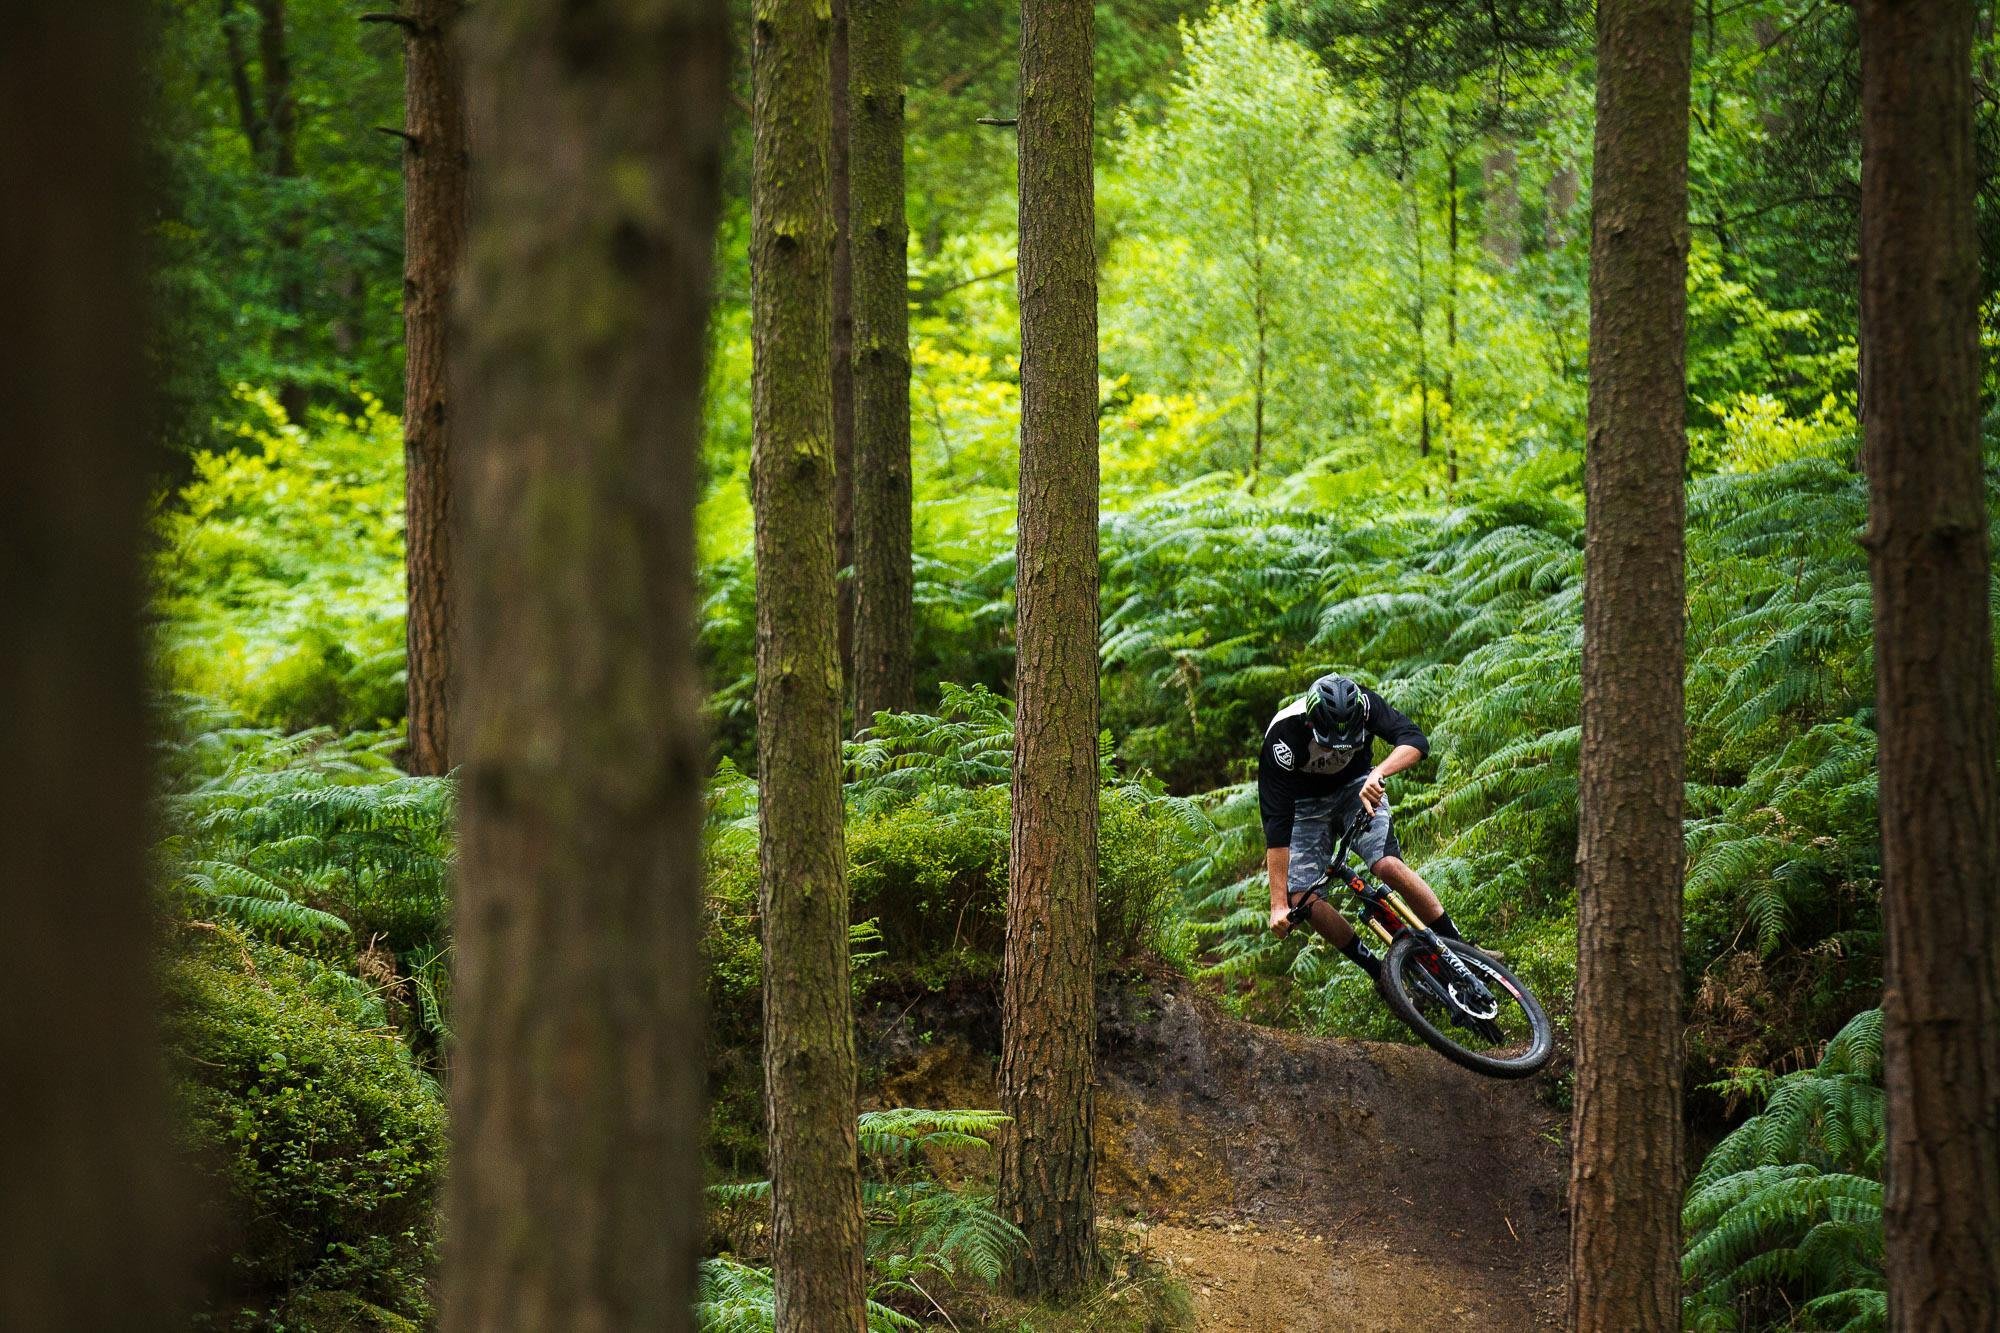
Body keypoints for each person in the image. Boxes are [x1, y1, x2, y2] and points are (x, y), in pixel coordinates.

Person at [1259, 673, 1462, 979]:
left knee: (1387, 865)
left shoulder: (1365, 706)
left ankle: (1461, 951)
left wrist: (1378, 772)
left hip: (1357, 787)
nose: (1336, 751)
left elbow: (1415, 740)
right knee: (1301, 896)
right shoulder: (1284, 737)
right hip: (1304, 807)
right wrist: (1277, 905)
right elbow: (1277, 825)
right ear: (1312, 724)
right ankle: (1380, 973)